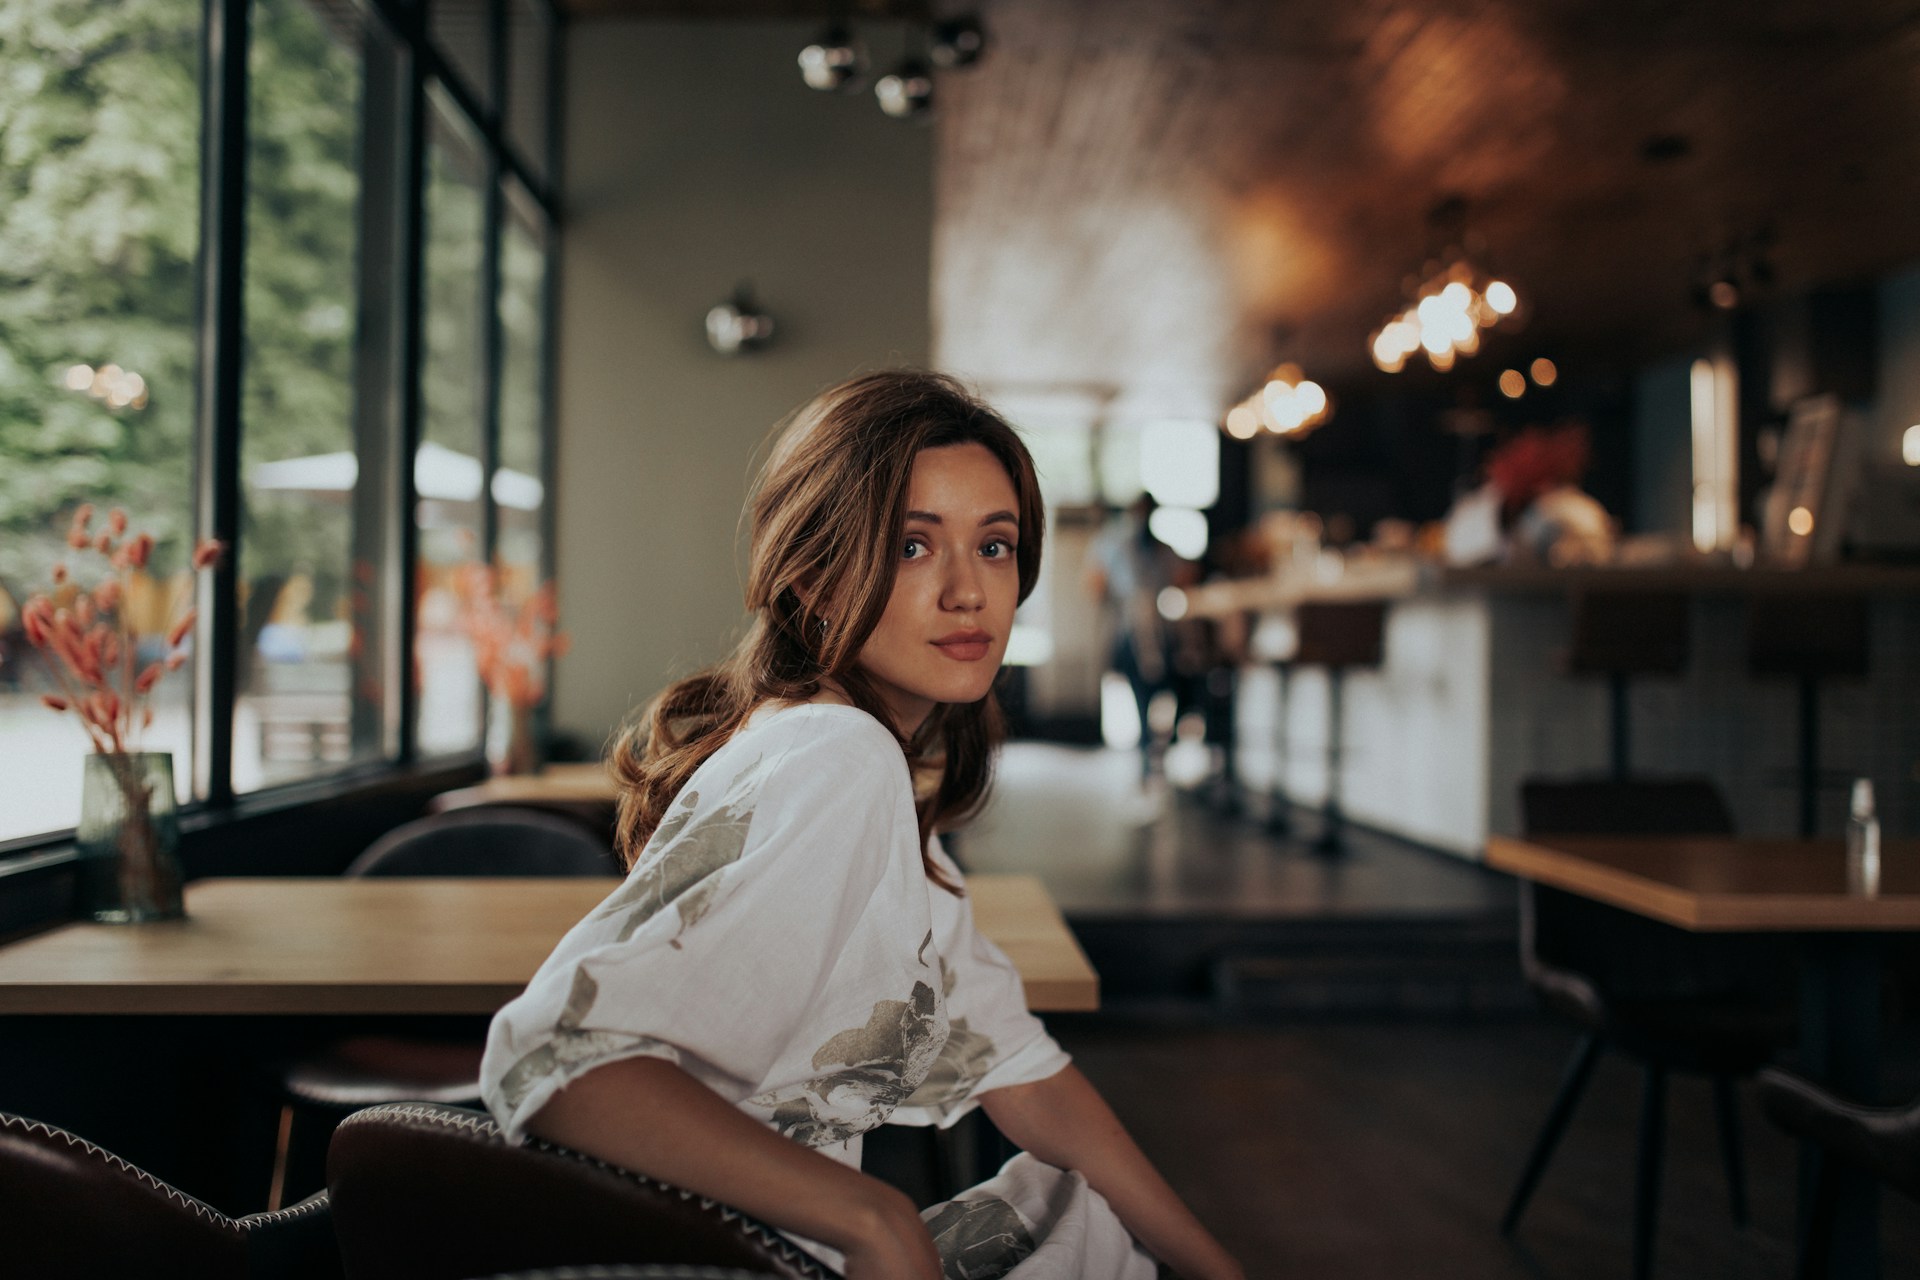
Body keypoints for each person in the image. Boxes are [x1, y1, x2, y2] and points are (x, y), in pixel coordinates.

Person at [480, 371, 1242, 1280]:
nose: (968, 591)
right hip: (716, 1258)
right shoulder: (839, 757)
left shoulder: (847, 757)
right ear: (815, 580)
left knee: (1082, 1216)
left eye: (995, 547)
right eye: (913, 546)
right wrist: (873, 1219)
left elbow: (1023, 1072)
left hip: (751, 1249)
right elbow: (553, 1051)